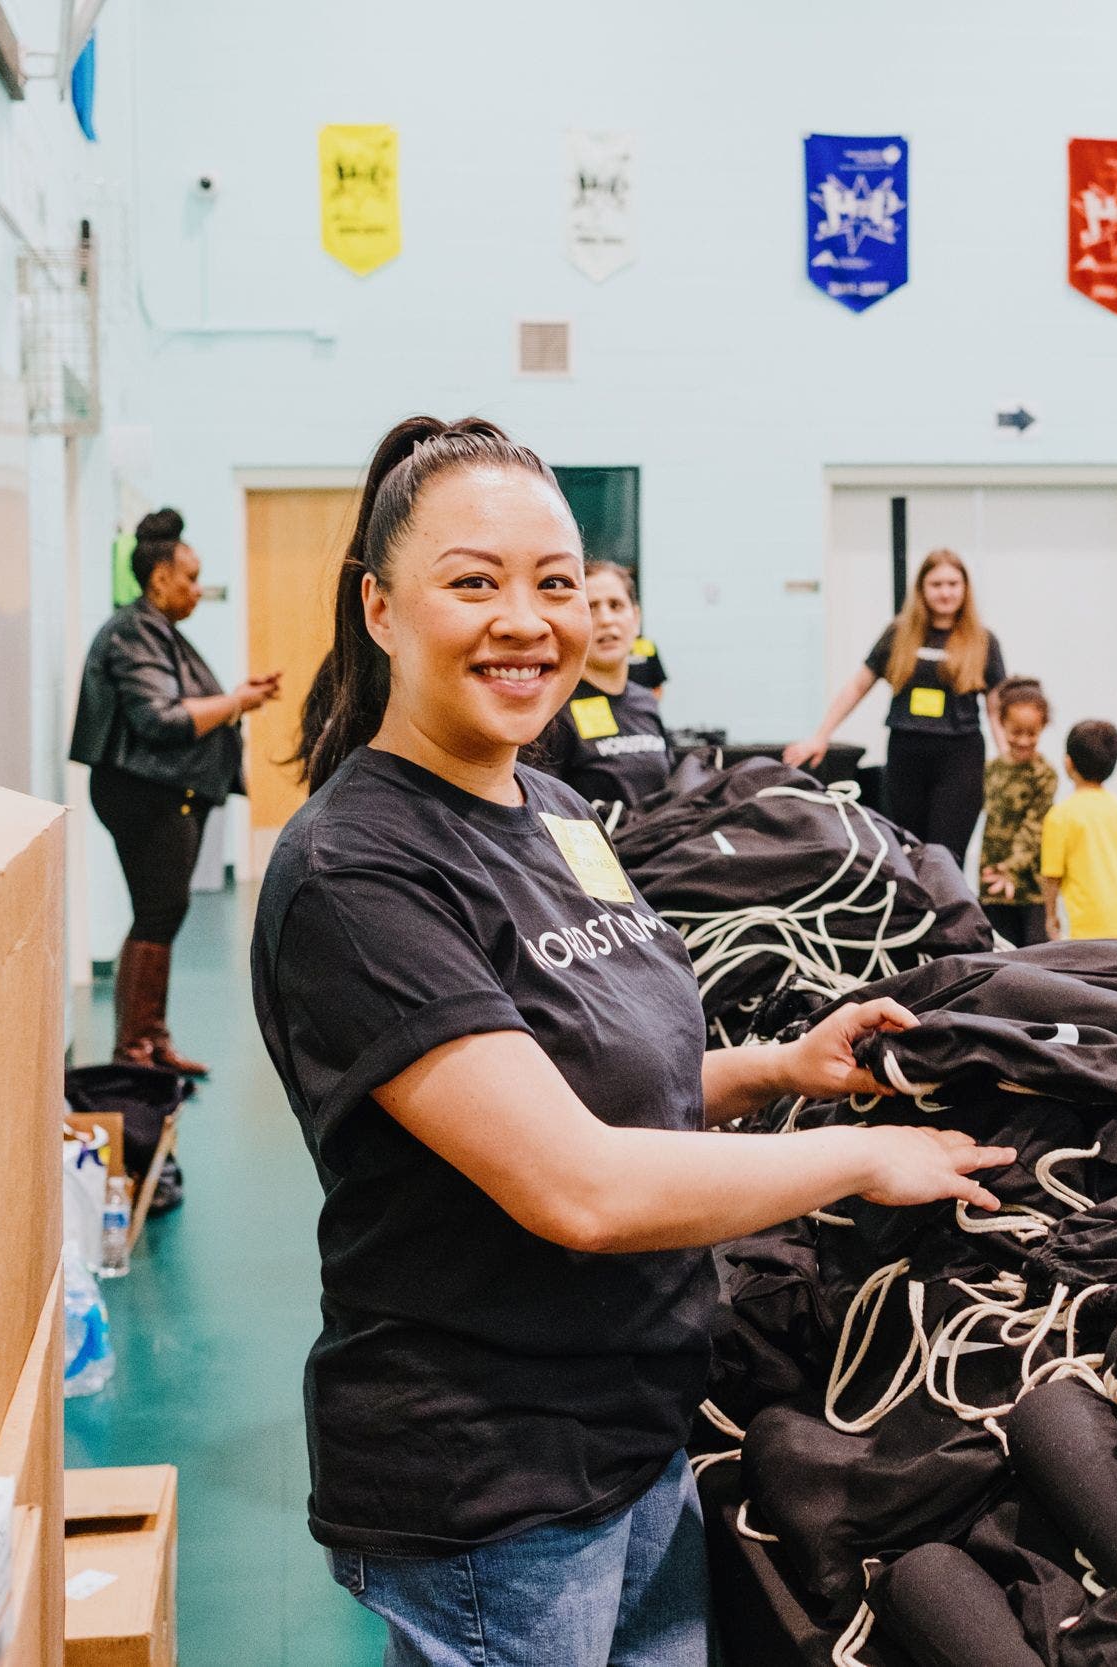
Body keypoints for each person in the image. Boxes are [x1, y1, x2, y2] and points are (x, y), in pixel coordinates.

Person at [253, 417, 1013, 1667]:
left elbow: (608, 1086)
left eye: (554, 582)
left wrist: (780, 1066)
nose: (527, 618)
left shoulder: (555, 813)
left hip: (634, 1435)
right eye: (473, 581)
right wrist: (860, 1158)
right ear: (381, 608)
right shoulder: (357, 872)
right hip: (493, 1485)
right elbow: (580, 1183)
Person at [69, 507, 280, 1077]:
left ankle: (151, 1040)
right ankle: (134, 1050)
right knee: (158, 911)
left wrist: (237, 696)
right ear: (160, 578)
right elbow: (160, 720)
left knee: (163, 912)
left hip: (165, 794)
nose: (196, 590)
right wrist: (237, 703)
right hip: (145, 796)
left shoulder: (157, 633)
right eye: (189, 579)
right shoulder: (135, 632)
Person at [786, 549, 1005, 857]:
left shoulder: (983, 641)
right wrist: (821, 736)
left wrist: (1009, 762)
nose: (946, 592)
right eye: (937, 584)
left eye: (953, 584)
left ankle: (946, 905)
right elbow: (857, 687)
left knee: (945, 854)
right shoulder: (899, 634)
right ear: (922, 589)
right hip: (907, 753)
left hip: (960, 756)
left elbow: (997, 711)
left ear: (965, 589)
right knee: (906, 850)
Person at [531, 560, 671, 820]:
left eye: (616, 606)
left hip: (662, 850)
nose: (606, 620)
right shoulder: (553, 708)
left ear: (636, 618)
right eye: (592, 608)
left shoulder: (645, 703)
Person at [1040, 719, 1117, 942]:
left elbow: (1051, 876)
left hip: (1087, 930)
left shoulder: (1060, 816)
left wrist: (1050, 917)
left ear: (1068, 763)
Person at [979, 678, 1057, 948]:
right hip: (994, 882)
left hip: (1031, 886)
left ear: (1043, 726)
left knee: (1036, 954)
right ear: (1001, 724)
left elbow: (1034, 830)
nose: (1023, 741)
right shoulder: (991, 771)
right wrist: (996, 871)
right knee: (1000, 952)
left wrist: (1010, 869)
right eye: (1016, 732)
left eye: (1031, 733)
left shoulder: (1044, 775)